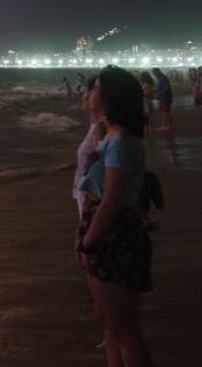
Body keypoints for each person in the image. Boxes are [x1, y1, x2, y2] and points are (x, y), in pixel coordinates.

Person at [75, 66, 154, 367]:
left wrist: (87, 242)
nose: (89, 93)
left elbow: (110, 202)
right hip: (110, 233)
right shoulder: (114, 138)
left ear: (109, 99)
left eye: (94, 89)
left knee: (125, 331)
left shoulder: (120, 144)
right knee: (111, 326)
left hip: (112, 239)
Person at [74, 73, 105, 218]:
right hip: (86, 187)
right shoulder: (95, 123)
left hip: (93, 194)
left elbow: (103, 163)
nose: (87, 95)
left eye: (94, 91)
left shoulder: (101, 128)